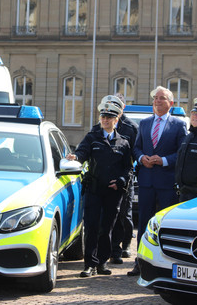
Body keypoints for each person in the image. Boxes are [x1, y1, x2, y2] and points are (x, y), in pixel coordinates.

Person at [66, 100, 131, 278]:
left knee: (106, 228)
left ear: (116, 119)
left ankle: (102, 262)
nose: (105, 120)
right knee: (92, 227)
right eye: (103, 117)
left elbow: (128, 168)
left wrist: (121, 180)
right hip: (94, 189)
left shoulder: (123, 142)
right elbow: (82, 153)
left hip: (113, 192)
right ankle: (89, 264)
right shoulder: (92, 137)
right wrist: (75, 157)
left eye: (109, 117)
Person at [128, 86, 187, 276]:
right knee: (144, 223)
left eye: (162, 98)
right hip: (146, 180)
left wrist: (164, 160)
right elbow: (136, 148)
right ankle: (140, 261)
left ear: (171, 103)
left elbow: (182, 153)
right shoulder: (144, 123)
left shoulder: (178, 125)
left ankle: (164, 263)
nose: (158, 101)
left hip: (166, 183)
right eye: (155, 98)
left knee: (165, 224)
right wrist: (141, 158)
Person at [108, 93, 137, 264]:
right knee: (110, 215)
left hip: (125, 177)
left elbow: (135, 153)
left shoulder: (131, 127)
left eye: (116, 104)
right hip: (107, 176)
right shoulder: (102, 123)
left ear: (123, 107)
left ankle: (125, 244)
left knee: (124, 216)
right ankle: (114, 249)